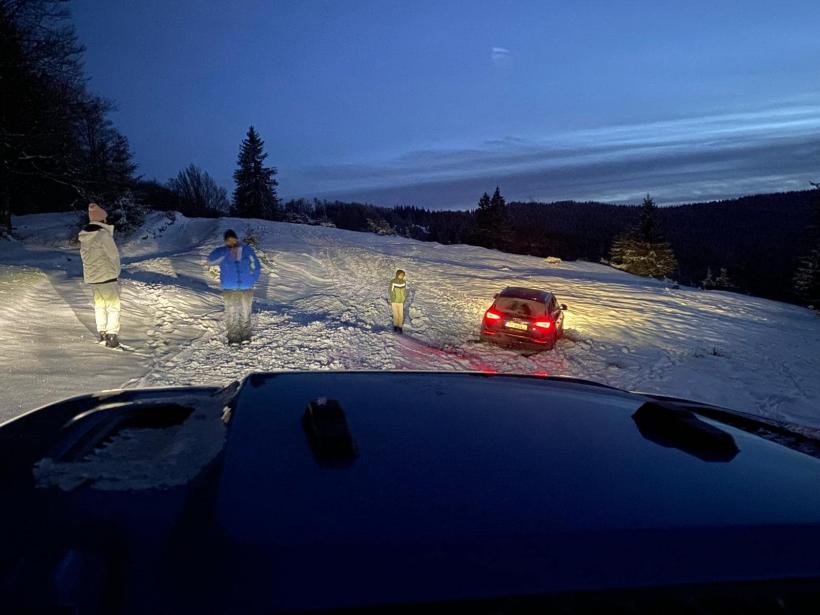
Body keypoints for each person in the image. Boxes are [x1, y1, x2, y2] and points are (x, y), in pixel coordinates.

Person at [78, 202, 122, 348]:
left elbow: (85, 258)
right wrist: (116, 272)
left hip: (94, 279)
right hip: (108, 277)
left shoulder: (85, 237)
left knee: (100, 306)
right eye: (105, 218)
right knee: (113, 306)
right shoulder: (103, 235)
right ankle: (112, 336)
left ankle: (102, 333)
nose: (107, 221)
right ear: (101, 220)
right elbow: (113, 255)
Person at [207, 229, 262, 344]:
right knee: (231, 313)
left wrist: (252, 279)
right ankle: (233, 338)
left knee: (246, 312)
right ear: (225, 241)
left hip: (246, 287)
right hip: (229, 288)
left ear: (236, 238)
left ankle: (245, 336)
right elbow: (211, 261)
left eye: (233, 239)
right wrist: (225, 250)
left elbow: (256, 265)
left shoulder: (246, 250)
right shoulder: (223, 252)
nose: (231, 242)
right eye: (228, 240)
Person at [388, 269, 407, 333]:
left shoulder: (403, 282)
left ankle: (400, 327)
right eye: (400, 275)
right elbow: (390, 291)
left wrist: (403, 298)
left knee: (401, 315)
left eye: (402, 275)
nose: (401, 276)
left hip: (401, 302)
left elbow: (404, 291)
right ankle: (395, 326)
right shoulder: (393, 281)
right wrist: (393, 298)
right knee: (396, 315)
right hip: (394, 301)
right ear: (397, 274)